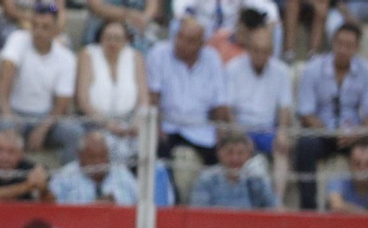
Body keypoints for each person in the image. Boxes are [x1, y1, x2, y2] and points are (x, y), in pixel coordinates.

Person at [293, 24, 368, 211]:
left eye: (348, 45)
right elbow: (306, 113)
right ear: (332, 43)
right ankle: (308, 209)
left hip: (354, 135)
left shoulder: (365, 71)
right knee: (304, 145)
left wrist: (356, 134)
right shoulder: (313, 69)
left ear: (357, 48)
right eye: (339, 44)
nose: (342, 50)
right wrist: (329, 132)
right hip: (322, 133)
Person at [0, 3, 82, 160]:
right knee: (5, 127)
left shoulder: (67, 57)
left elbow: (62, 102)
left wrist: (42, 129)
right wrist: (6, 112)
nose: (38, 31)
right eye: (35, 25)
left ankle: (67, 180)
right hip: (15, 113)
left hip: (45, 118)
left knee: (74, 132)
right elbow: (4, 78)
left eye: (45, 27)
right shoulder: (18, 39)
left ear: (56, 30)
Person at [147, 15, 230, 165]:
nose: (182, 44)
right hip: (169, 130)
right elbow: (153, 98)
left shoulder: (212, 59)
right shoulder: (159, 53)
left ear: (201, 44)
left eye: (190, 41)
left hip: (202, 133)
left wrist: (222, 136)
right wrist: (157, 130)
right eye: (180, 37)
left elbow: (220, 104)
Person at [225, 24, 292, 204]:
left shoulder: (281, 71)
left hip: (268, 130)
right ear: (248, 48)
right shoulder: (233, 69)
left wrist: (282, 132)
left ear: (271, 50)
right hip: (242, 129)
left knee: (282, 148)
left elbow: (285, 107)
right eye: (256, 50)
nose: (260, 55)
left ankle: (276, 202)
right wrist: (240, 135)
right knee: (237, 146)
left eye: (265, 51)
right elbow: (229, 110)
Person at [77, 20, 147, 166]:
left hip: (129, 122)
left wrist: (136, 123)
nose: (112, 43)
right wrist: (108, 124)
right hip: (96, 122)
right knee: (112, 147)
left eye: (117, 38)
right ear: (101, 38)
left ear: (126, 40)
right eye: (108, 37)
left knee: (146, 146)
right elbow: (83, 100)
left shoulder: (135, 57)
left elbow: (143, 99)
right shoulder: (88, 54)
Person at [190, 130, 277, 207]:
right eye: (229, 152)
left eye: (241, 153)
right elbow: (199, 211)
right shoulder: (207, 178)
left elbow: (274, 208)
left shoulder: (255, 179)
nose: (235, 158)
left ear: (249, 155)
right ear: (219, 153)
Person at [49, 130, 139, 204]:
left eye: (102, 156)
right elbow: (51, 208)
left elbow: (140, 203)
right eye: (92, 157)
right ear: (80, 155)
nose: (98, 162)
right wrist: (91, 209)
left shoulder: (122, 174)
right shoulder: (65, 176)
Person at [0, 126, 51, 200]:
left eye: (11, 151)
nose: (4, 156)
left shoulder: (31, 169)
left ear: (21, 154)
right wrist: (27, 186)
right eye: (0, 149)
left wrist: (43, 189)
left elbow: (51, 202)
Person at [82, 0, 160, 50]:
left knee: (151, 48)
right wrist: (129, 15)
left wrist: (144, 18)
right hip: (103, 26)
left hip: (137, 26)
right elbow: (97, 7)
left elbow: (153, 6)